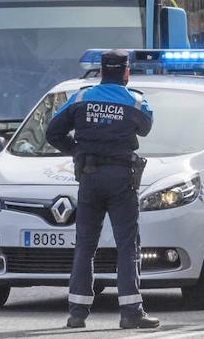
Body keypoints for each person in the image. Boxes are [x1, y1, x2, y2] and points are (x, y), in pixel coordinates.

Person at [45, 50, 160, 330]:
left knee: (85, 245)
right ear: (125, 72)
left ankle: (77, 313)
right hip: (121, 177)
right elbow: (146, 127)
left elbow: (52, 132)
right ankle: (131, 311)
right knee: (126, 245)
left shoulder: (81, 98)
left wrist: (77, 151)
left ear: (100, 71)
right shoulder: (135, 100)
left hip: (89, 176)